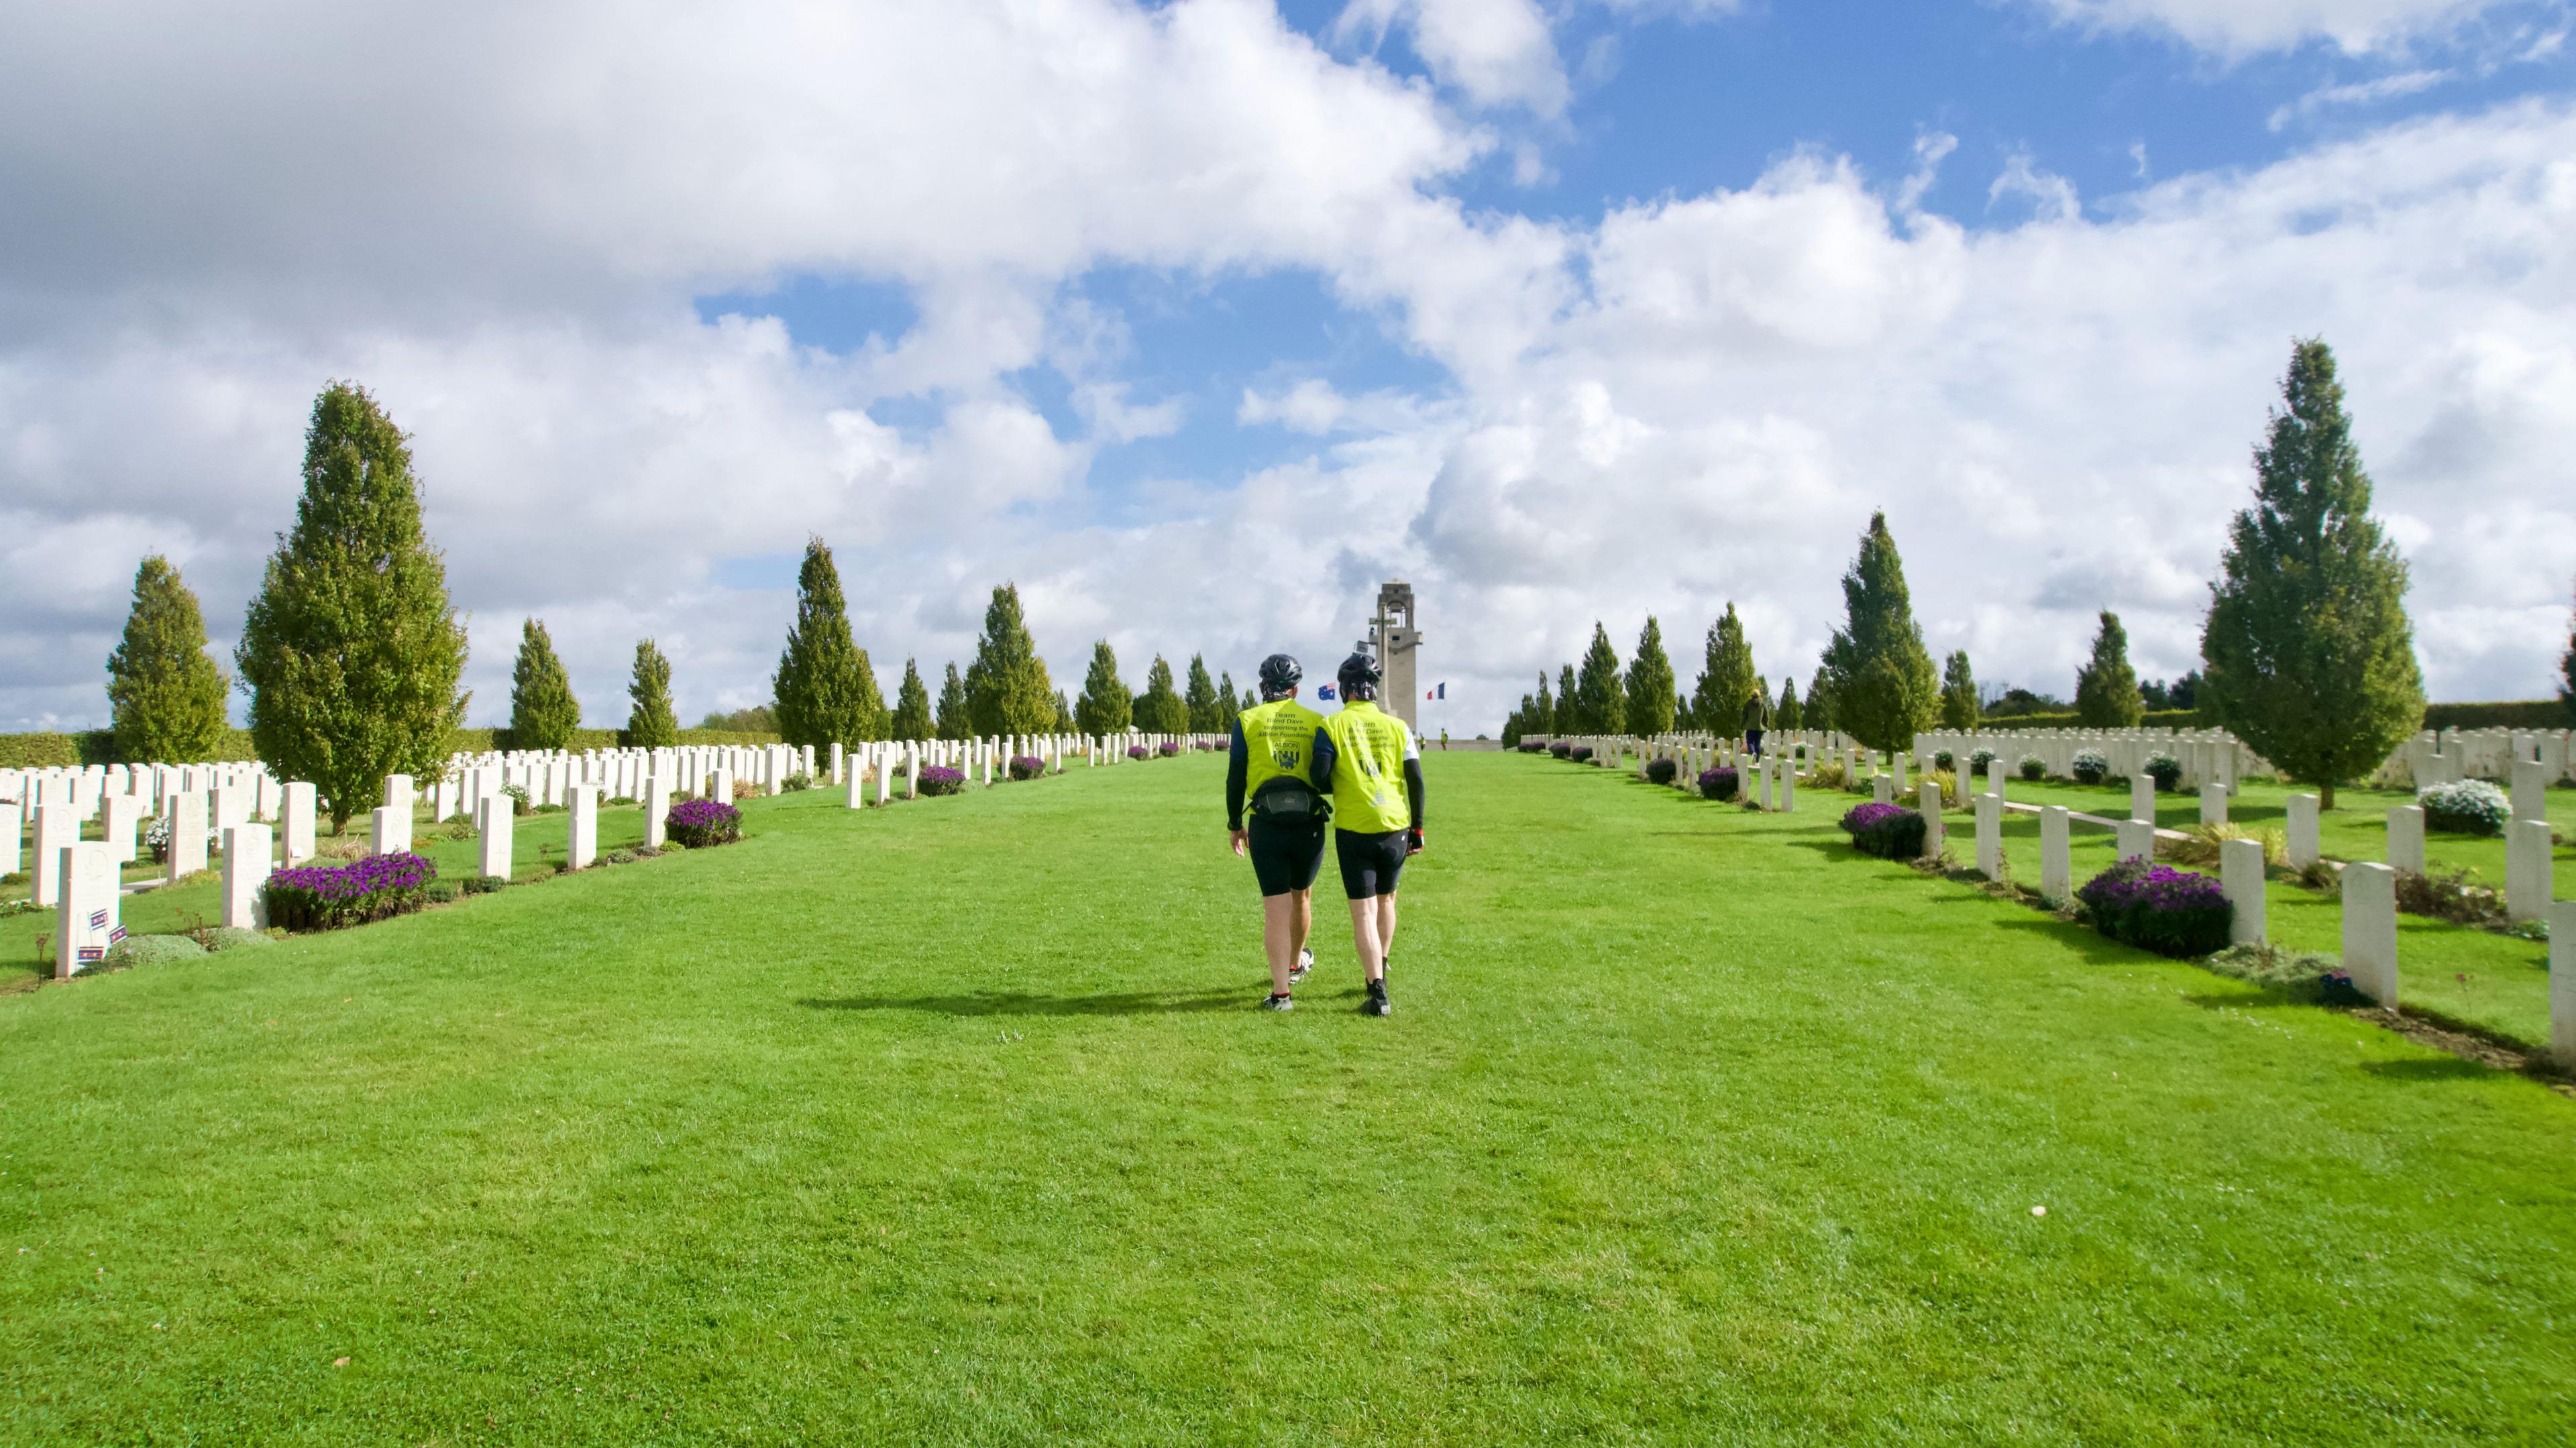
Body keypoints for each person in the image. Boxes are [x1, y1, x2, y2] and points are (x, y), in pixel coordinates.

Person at [1308, 652, 1424, 1017]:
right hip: (1396, 824)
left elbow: (1319, 776)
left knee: (1363, 912)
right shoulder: (1398, 726)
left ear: (1345, 690)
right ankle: (1382, 965)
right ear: (1373, 691)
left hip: (1356, 826)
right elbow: (1416, 780)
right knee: (1388, 901)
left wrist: (1343, 781)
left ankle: (1377, 992)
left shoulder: (1332, 725)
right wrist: (1417, 826)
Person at [1228, 654, 1328, 1011]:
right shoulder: (1317, 721)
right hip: (1309, 823)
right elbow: (1326, 775)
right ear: (1295, 690)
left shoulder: (1247, 720)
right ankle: (1295, 961)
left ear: (1263, 688)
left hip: (1266, 822)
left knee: (1275, 908)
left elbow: (1236, 775)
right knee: (1301, 897)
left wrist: (1233, 823)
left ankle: (1281, 993)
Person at [1741, 686, 1769, 761]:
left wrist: (1742, 725)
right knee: (1757, 743)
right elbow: (1766, 716)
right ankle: (1757, 761)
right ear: (1759, 695)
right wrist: (1766, 725)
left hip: (1750, 727)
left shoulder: (1748, 704)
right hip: (1760, 727)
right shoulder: (1763, 704)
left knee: (1750, 742)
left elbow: (1744, 715)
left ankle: (1753, 752)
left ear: (1752, 695)